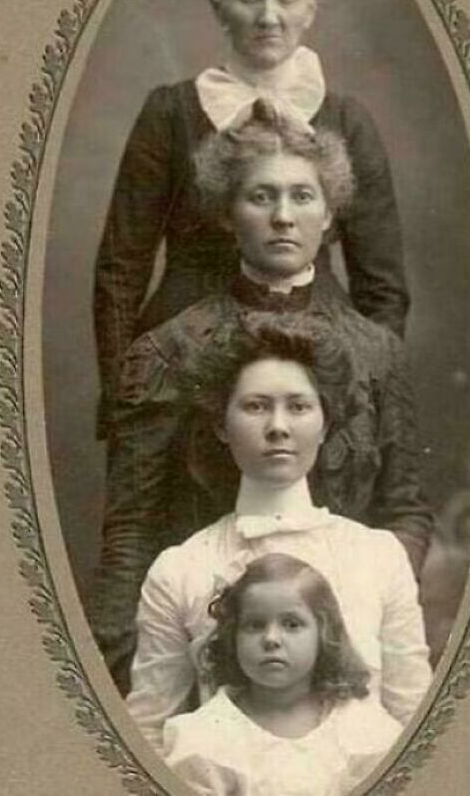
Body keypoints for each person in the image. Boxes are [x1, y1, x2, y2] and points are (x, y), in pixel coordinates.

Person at [89, 108, 432, 693]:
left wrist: (354, 614)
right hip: (206, 647)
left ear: (329, 216)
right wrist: (119, 670)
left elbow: (404, 512)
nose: (282, 217)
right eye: (260, 197)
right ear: (227, 214)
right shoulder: (167, 352)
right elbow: (132, 530)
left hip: (342, 642)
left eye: (302, 196)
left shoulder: (376, 352)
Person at [93, 0, 409, 436]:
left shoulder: (348, 122)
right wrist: (123, 392)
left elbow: (383, 288)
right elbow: (120, 269)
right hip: (182, 366)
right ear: (218, 5)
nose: (269, 16)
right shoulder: (170, 113)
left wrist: (365, 394)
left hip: (314, 358)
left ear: (311, 7)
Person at [125, 322, 431, 752]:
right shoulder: (181, 569)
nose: (278, 427)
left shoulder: (378, 557)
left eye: (299, 407)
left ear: (326, 424)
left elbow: (417, 722)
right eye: (255, 406)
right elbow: (148, 733)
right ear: (221, 425)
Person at [160, 553, 403, 796]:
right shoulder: (202, 739)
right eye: (255, 625)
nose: (271, 639)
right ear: (232, 637)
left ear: (323, 633)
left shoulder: (362, 728)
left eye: (291, 624)